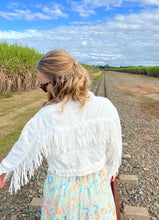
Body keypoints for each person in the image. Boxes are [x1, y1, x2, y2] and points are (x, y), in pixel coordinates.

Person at [0, 49, 122, 219]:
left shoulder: (46, 116)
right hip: (97, 189)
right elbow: (114, 148)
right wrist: (110, 170)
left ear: (57, 82)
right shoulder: (105, 107)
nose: (46, 90)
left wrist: (4, 170)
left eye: (44, 86)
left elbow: (23, 147)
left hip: (61, 192)